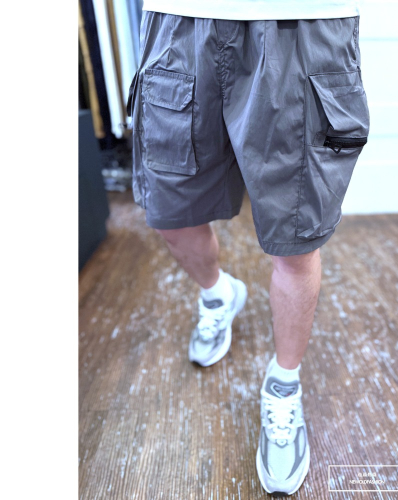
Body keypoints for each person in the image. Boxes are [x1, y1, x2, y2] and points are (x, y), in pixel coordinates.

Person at [127, 0, 369, 495]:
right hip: (181, 24)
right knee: (172, 217)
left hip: (301, 26)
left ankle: (284, 385)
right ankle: (219, 294)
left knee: (295, 240)